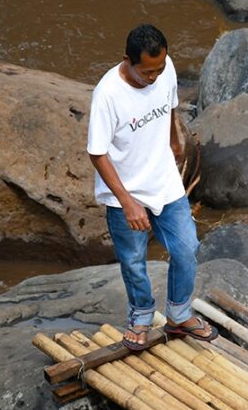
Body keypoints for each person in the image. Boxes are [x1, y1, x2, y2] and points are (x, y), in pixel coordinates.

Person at [87, 22, 217, 350]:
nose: (154, 77)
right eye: (147, 72)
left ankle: (178, 315)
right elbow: (97, 152)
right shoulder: (107, 94)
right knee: (133, 260)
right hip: (126, 190)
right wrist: (127, 201)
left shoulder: (164, 67)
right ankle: (141, 317)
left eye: (159, 69)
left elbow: (170, 103)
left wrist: (175, 140)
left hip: (163, 180)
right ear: (127, 60)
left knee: (186, 248)